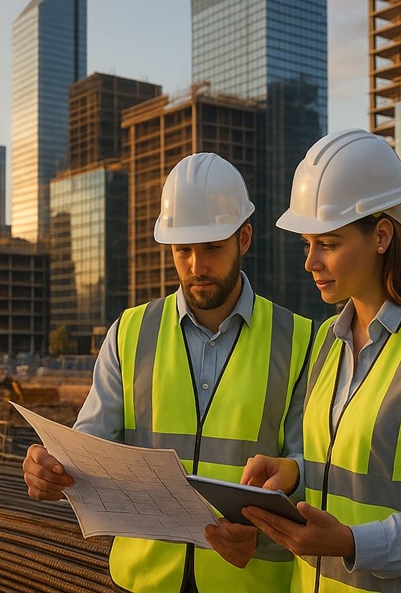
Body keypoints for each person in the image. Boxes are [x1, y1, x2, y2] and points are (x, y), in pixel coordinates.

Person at [23, 152, 313, 592]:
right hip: (143, 580)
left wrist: (260, 538)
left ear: (245, 238)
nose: (196, 266)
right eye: (183, 250)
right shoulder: (130, 333)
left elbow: (314, 472)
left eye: (212, 247)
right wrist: (52, 471)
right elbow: (89, 453)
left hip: (250, 581)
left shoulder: (299, 340)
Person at [239, 130, 401, 592]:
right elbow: (354, 471)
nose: (311, 262)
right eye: (307, 244)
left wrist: (351, 542)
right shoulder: (327, 341)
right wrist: (297, 472)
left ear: (381, 236)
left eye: (329, 243)